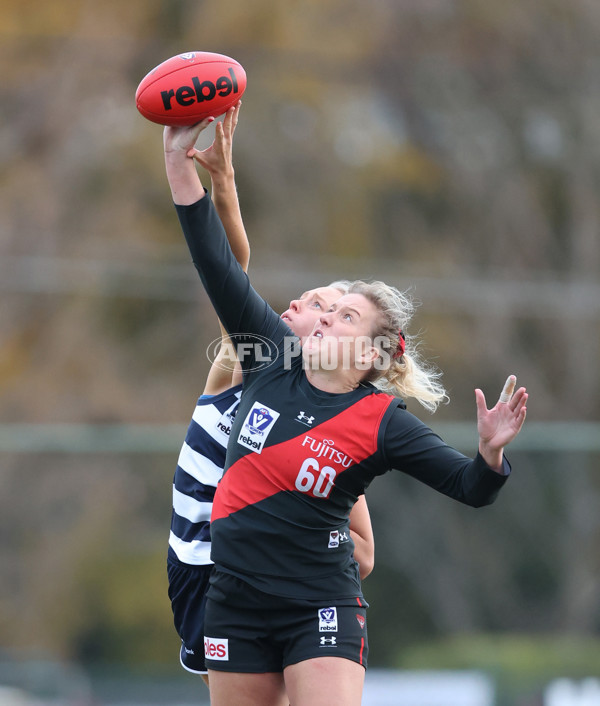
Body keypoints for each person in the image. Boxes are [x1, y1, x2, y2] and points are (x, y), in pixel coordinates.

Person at [163, 117, 528, 706]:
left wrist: (489, 452)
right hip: (232, 599)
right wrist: (179, 164)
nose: (326, 315)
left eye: (345, 315)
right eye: (326, 309)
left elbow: (471, 488)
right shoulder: (268, 358)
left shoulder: (381, 421)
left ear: (372, 352)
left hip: (319, 605)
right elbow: (218, 264)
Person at [166, 104, 375, 694]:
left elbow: (362, 551)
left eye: (319, 305)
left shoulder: (332, 422)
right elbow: (231, 269)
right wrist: (223, 184)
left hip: (273, 584)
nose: (297, 306)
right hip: (202, 570)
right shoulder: (245, 367)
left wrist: (294, 545)